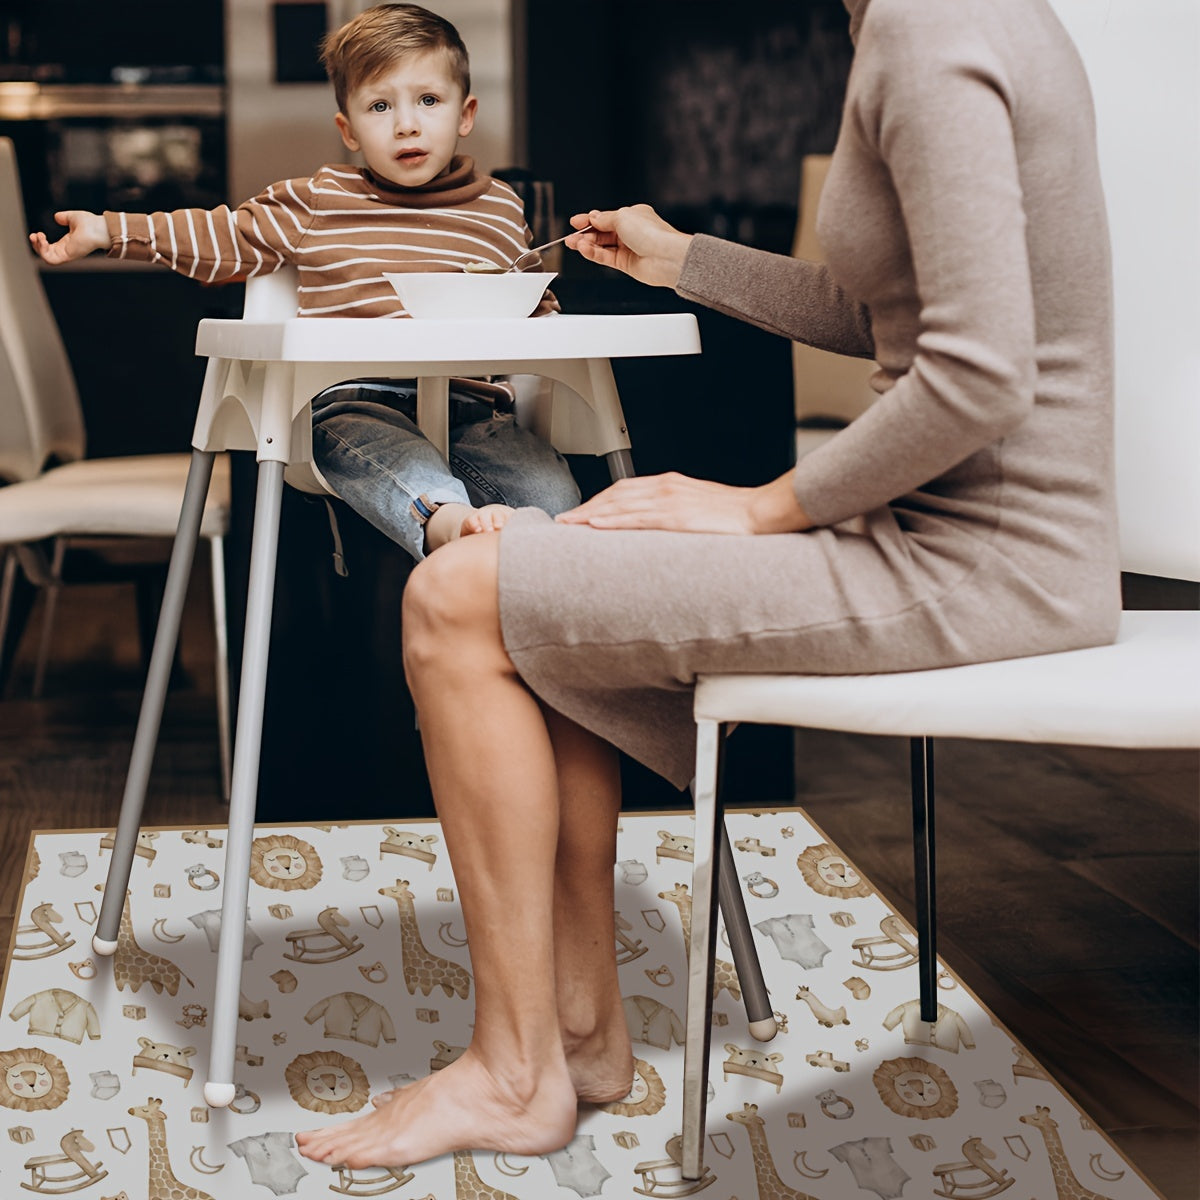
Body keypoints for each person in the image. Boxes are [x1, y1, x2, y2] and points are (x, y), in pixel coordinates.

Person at [299, 0, 1120, 1172]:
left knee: (450, 597)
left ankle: (515, 1073)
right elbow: (897, 317)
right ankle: (577, 1037)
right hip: (966, 536)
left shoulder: (931, 32)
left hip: (974, 557)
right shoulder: (938, 19)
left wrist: (760, 507)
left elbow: (977, 379)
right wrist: (685, 260)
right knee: (541, 568)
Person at [29, 3, 579, 560]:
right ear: (349, 129)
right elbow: (224, 234)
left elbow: (533, 307)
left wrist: (547, 327)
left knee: (554, 497)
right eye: (380, 105)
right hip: (355, 401)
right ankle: (444, 520)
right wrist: (109, 231)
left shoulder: (500, 209)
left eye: (429, 101)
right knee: (389, 456)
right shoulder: (321, 200)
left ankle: (531, 595)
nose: (407, 123)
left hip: (474, 407)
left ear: (466, 114)